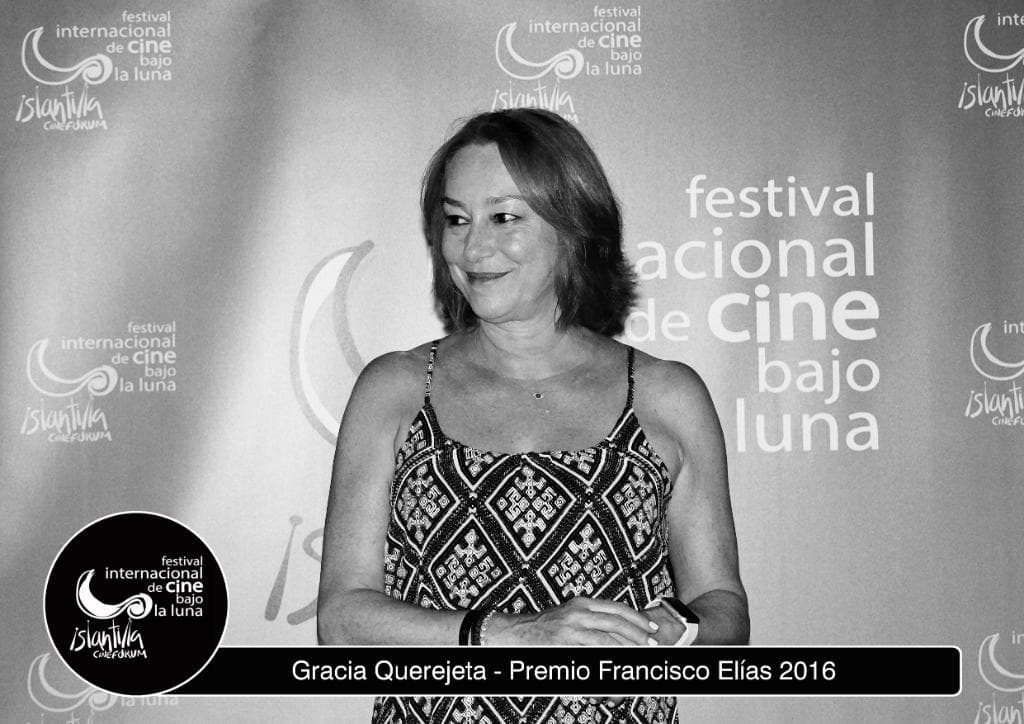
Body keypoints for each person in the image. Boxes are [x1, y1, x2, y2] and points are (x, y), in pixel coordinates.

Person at [317, 108, 748, 723]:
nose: (473, 247)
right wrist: (514, 634)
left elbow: (724, 608)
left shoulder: (666, 395)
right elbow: (342, 620)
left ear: (572, 225)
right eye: (457, 219)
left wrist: (664, 629)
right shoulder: (396, 389)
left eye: (504, 217)